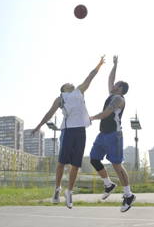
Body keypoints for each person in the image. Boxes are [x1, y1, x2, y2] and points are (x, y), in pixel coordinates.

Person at [32, 56, 105, 209]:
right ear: (63, 88)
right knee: (61, 163)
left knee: (76, 165)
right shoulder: (60, 98)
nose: (70, 83)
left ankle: (69, 192)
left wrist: (99, 64)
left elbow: (90, 76)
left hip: (81, 131)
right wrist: (39, 126)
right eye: (67, 84)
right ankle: (57, 189)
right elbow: (49, 113)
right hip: (68, 131)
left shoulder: (79, 91)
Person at [89, 55, 136, 212]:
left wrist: (91, 118)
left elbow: (107, 113)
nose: (112, 85)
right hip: (103, 134)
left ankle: (128, 195)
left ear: (120, 89)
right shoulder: (112, 94)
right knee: (94, 159)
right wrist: (115, 65)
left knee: (117, 165)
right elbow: (110, 78)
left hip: (114, 135)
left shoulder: (119, 99)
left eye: (115, 85)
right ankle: (109, 184)